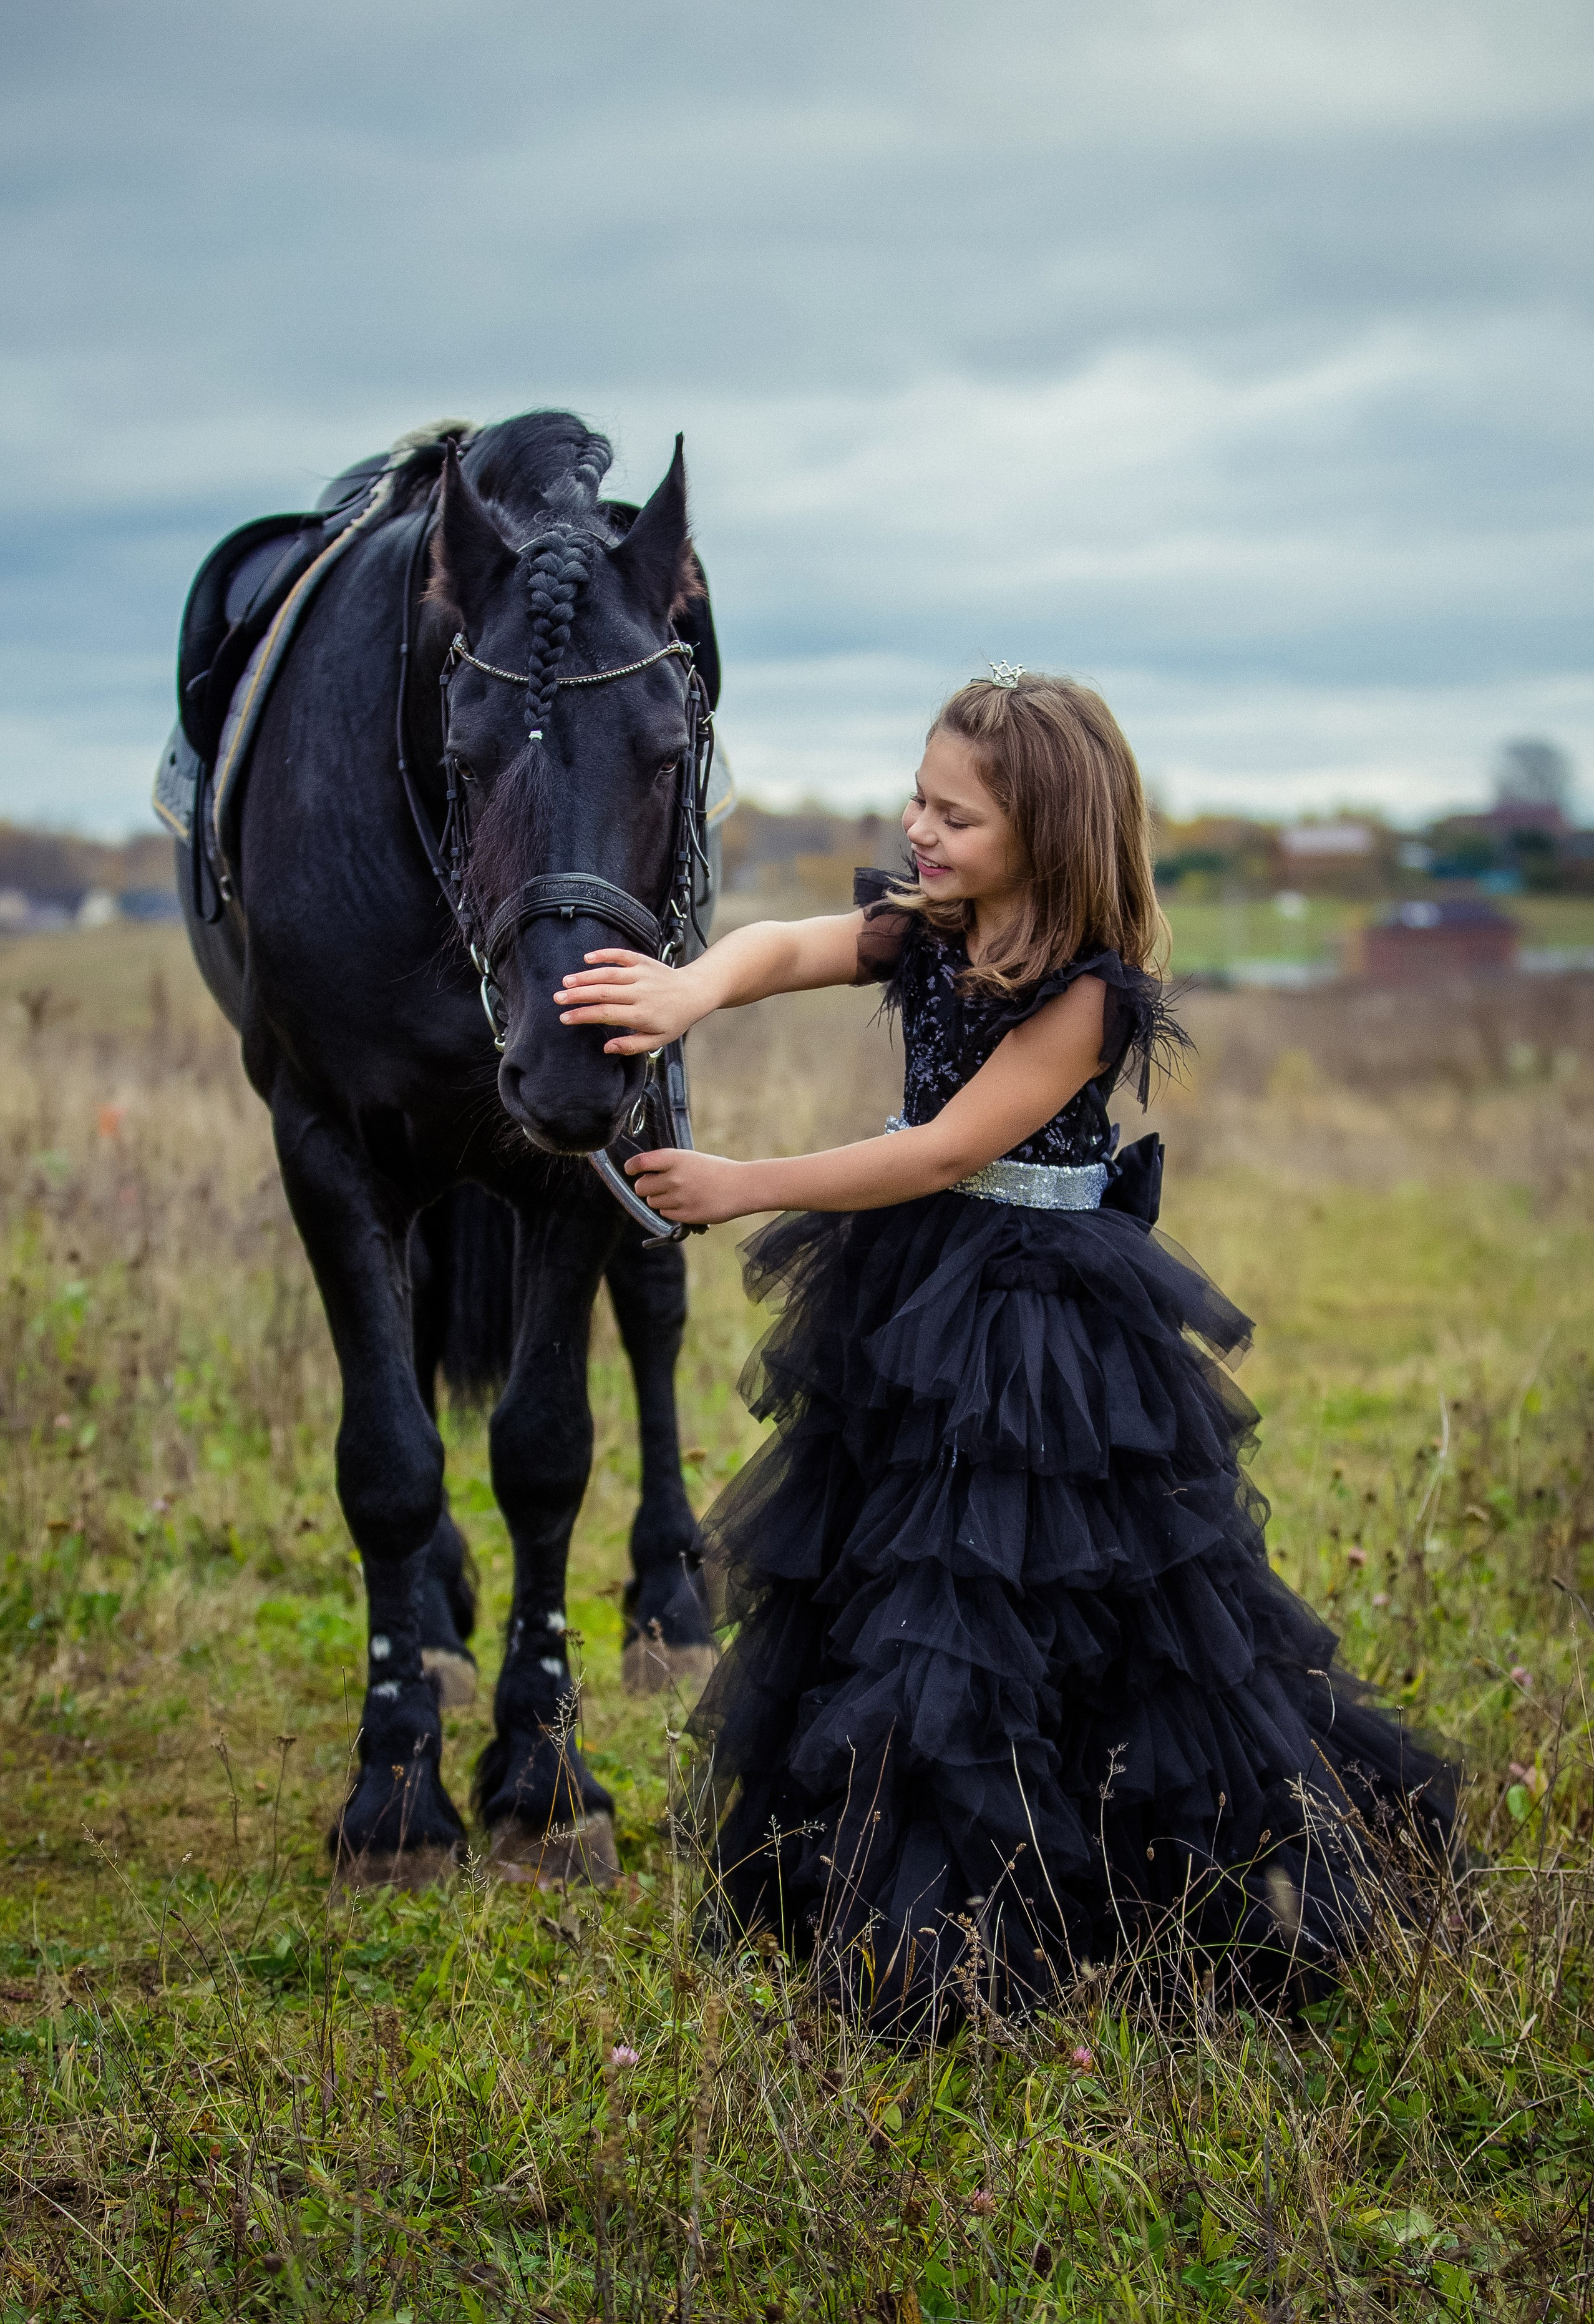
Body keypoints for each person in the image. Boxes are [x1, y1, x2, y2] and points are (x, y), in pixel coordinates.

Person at [555, 669, 1455, 2023]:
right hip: (914, 1286)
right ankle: (883, 1892)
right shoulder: (923, 925)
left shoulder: (1089, 991)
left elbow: (948, 1147)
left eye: (954, 817)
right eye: (916, 797)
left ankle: (1070, 1892)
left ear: (1048, 828)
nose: (918, 829)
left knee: (1041, 1598)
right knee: (891, 1570)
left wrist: (747, 1182)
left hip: (1041, 1310)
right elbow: (782, 945)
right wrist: (689, 990)